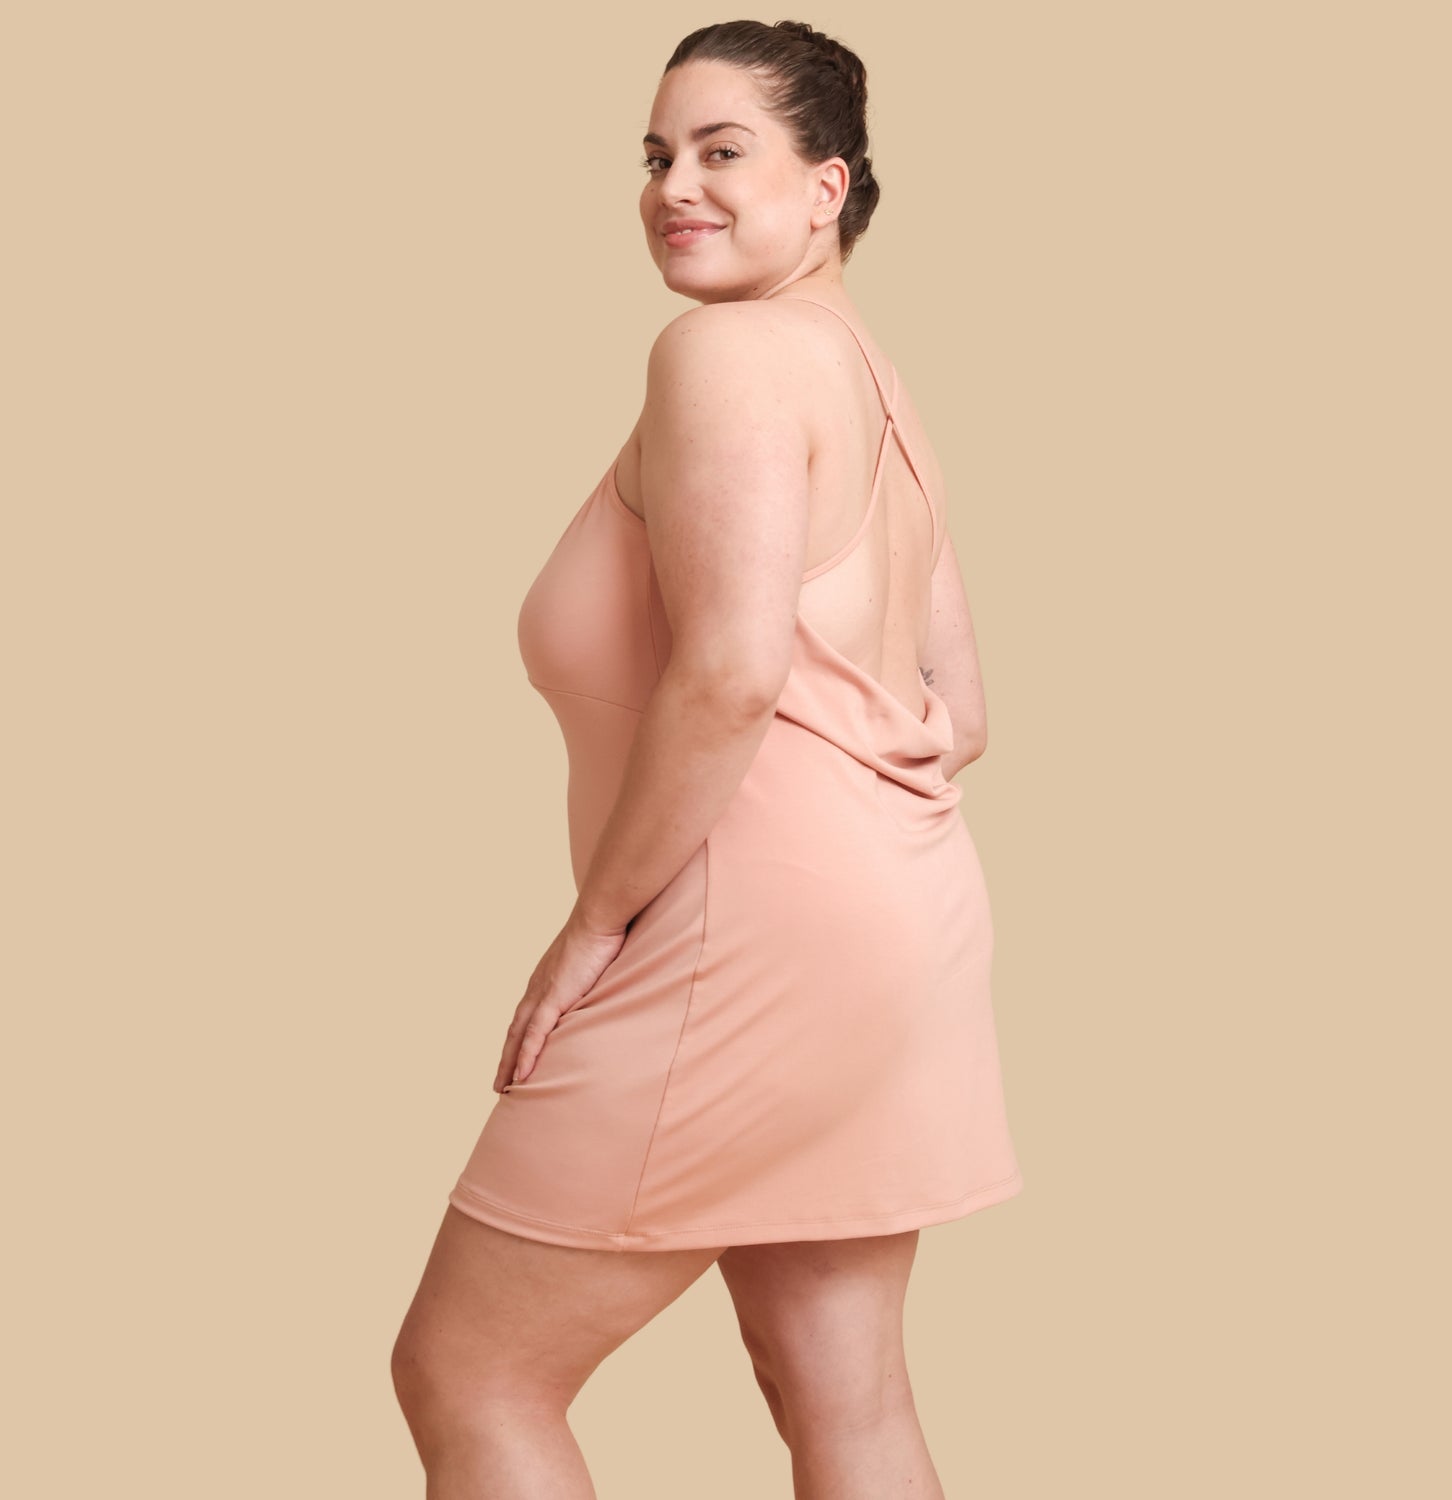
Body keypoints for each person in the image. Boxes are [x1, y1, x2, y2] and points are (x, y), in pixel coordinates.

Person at [392, 19, 1023, 1497]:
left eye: (722, 151)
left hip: (741, 935)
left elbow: (732, 672)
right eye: (657, 154)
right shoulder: (874, 385)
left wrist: (592, 929)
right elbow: (963, 710)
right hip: (904, 922)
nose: (674, 185)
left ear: (826, 185)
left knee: (472, 1371)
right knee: (844, 1396)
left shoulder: (723, 355)